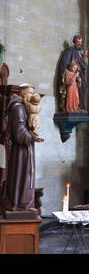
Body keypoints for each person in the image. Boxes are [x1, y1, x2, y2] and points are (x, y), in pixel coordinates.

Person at [4, 84, 40, 212]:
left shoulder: (22, 106)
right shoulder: (18, 108)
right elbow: (19, 132)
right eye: (30, 92)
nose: (31, 96)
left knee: (23, 174)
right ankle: (21, 204)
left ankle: (22, 204)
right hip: (21, 150)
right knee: (22, 174)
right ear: (23, 93)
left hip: (24, 149)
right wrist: (32, 136)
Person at [59, 35, 88, 111]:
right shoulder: (70, 50)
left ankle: (79, 106)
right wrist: (66, 72)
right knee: (71, 92)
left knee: (83, 86)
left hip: (80, 74)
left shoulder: (81, 52)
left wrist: (84, 57)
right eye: (78, 42)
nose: (79, 44)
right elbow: (65, 63)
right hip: (71, 75)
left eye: (80, 42)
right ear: (74, 42)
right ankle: (70, 107)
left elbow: (85, 64)